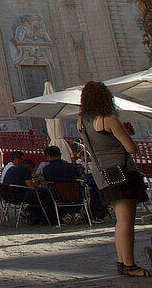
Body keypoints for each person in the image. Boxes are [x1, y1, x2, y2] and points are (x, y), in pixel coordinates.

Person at [79, 80, 150, 278]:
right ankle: (130, 265)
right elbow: (130, 147)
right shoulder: (108, 119)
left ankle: (122, 261)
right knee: (127, 220)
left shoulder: (82, 122)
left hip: (103, 173)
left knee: (121, 221)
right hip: (122, 172)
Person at [1, 151, 54, 225]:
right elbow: (31, 187)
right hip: (19, 195)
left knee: (39, 194)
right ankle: (45, 218)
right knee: (46, 192)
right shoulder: (25, 169)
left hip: (8, 196)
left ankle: (32, 213)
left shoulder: (11, 168)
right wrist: (37, 182)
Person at [40, 145, 84, 223]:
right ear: (60, 154)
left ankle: (70, 215)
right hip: (75, 194)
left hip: (57, 195)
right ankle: (75, 213)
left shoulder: (46, 169)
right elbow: (82, 178)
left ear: (48, 156)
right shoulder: (71, 166)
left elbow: (46, 181)